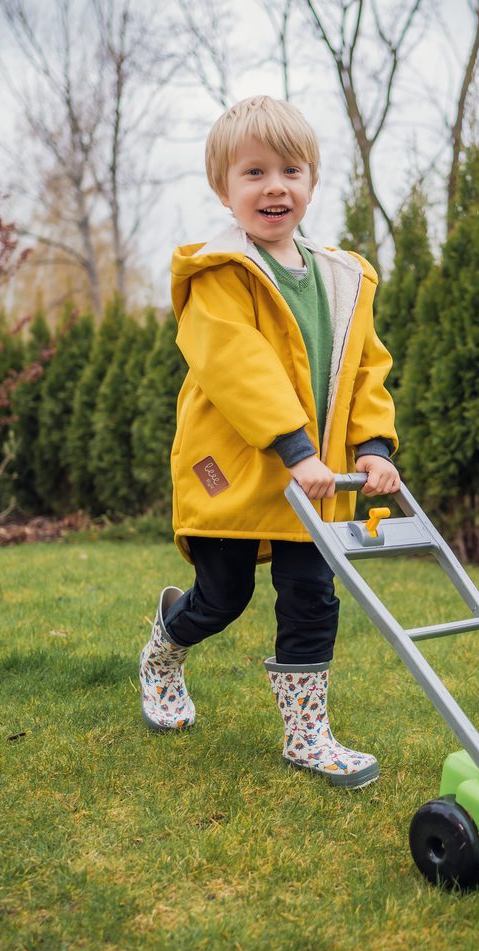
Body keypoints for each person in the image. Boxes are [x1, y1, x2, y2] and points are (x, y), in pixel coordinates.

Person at [139, 95, 399, 791]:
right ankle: (165, 648)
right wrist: (296, 448)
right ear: (223, 189)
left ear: (312, 183)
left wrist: (372, 447)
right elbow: (237, 367)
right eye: (253, 172)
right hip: (239, 471)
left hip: (315, 482)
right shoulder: (216, 275)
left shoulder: (345, 278)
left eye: (291, 169)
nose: (275, 186)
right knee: (222, 599)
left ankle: (306, 736)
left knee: (313, 598)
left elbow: (367, 367)